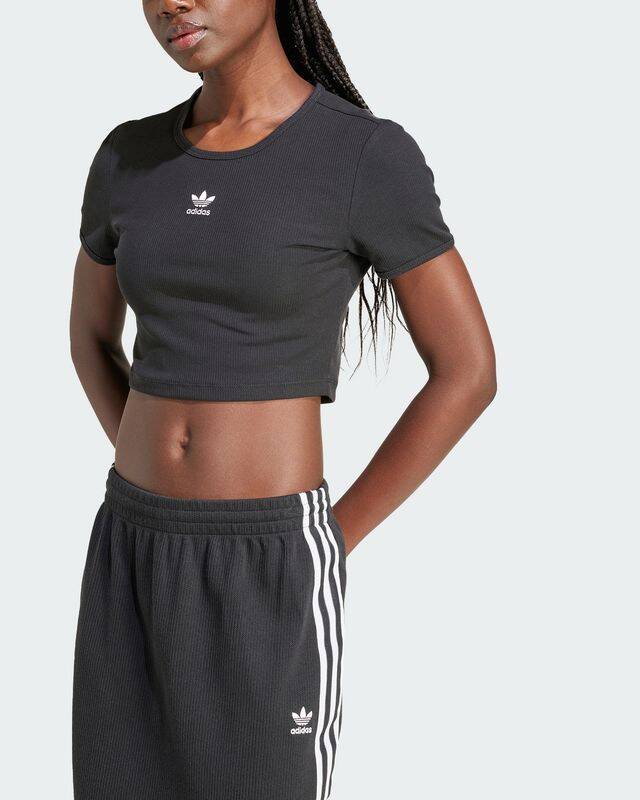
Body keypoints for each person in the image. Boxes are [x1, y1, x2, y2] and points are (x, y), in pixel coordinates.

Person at [69, 1, 496, 798]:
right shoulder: (127, 156)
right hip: (131, 541)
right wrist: (152, 464)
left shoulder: (362, 155)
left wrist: (331, 537)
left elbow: (468, 370)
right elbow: (90, 339)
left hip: (269, 558)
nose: (170, 3)